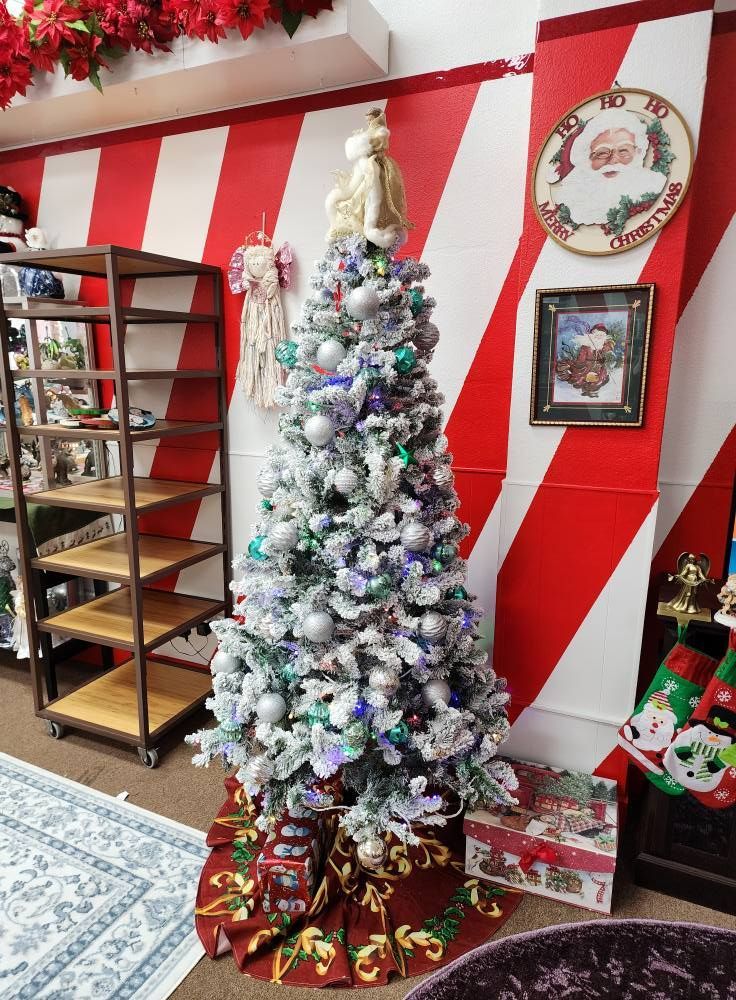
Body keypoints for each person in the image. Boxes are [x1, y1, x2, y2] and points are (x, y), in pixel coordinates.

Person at [549, 108, 667, 227]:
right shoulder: (573, 193)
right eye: (602, 152)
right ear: (587, 158)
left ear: (638, 153)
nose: (613, 160)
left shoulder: (652, 184)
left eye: (623, 150)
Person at [556, 323, 614, 398]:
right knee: (585, 377)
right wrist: (586, 369)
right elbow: (580, 360)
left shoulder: (602, 346)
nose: (599, 337)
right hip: (585, 366)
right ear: (593, 335)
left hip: (598, 367)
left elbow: (602, 356)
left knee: (599, 377)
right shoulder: (585, 347)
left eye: (601, 335)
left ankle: (592, 389)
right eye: (597, 335)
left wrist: (602, 360)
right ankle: (588, 389)